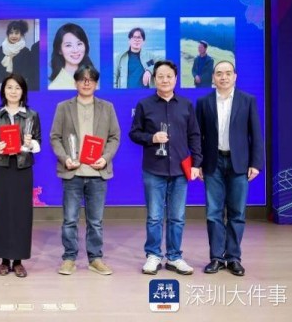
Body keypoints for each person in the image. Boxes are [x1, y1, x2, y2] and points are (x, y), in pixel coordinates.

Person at [129, 60, 202, 275]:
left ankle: (174, 257)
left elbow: (194, 135)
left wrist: (197, 163)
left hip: (180, 169)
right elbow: (134, 133)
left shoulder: (186, 105)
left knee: (177, 217)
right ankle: (153, 255)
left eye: (169, 76)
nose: (164, 80)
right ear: (154, 79)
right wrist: (152, 138)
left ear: (175, 79)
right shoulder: (144, 105)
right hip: (154, 169)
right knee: (154, 216)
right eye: (160, 76)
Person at [50, 65, 120, 275]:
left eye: (91, 80)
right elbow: (55, 137)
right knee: (70, 220)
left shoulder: (107, 107)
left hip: (98, 173)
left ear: (96, 84)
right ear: (76, 83)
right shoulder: (64, 107)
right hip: (72, 172)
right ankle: (69, 258)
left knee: (95, 221)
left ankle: (95, 258)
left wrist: (105, 158)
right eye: (82, 79)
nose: (86, 83)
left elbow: (114, 137)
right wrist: (65, 158)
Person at [196, 61, 264, 276]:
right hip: (212, 163)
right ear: (213, 77)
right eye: (219, 73)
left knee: (237, 212)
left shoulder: (247, 100)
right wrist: (197, 163)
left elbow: (256, 134)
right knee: (213, 213)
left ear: (235, 76)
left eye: (227, 73)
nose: (223, 77)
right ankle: (216, 257)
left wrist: (256, 163)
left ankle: (233, 257)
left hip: (239, 163)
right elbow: (198, 136)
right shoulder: (204, 102)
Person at [0, 73, 41, 278]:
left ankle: (18, 261)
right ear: (3, 91)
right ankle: (3, 260)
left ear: (23, 91)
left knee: (21, 214)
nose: (13, 91)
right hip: (2, 168)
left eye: (18, 87)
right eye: (9, 87)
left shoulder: (32, 115)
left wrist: (29, 144)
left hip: (23, 168)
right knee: (2, 213)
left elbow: (38, 143)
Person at [0, 20, 39, 91]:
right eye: (11, 33)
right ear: (8, 34)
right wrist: (0, 84)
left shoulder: (25, 51)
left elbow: (26, 72)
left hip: (19, 86)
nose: (13, 36)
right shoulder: (0, 50)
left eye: (16, 33)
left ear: (21, 34)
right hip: (3, 85)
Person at [48, 23, 95, 90]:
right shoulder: (55, 87)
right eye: (68, 45)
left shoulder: (90, 76)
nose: (75, 50)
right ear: (59, 50)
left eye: (79, 44)